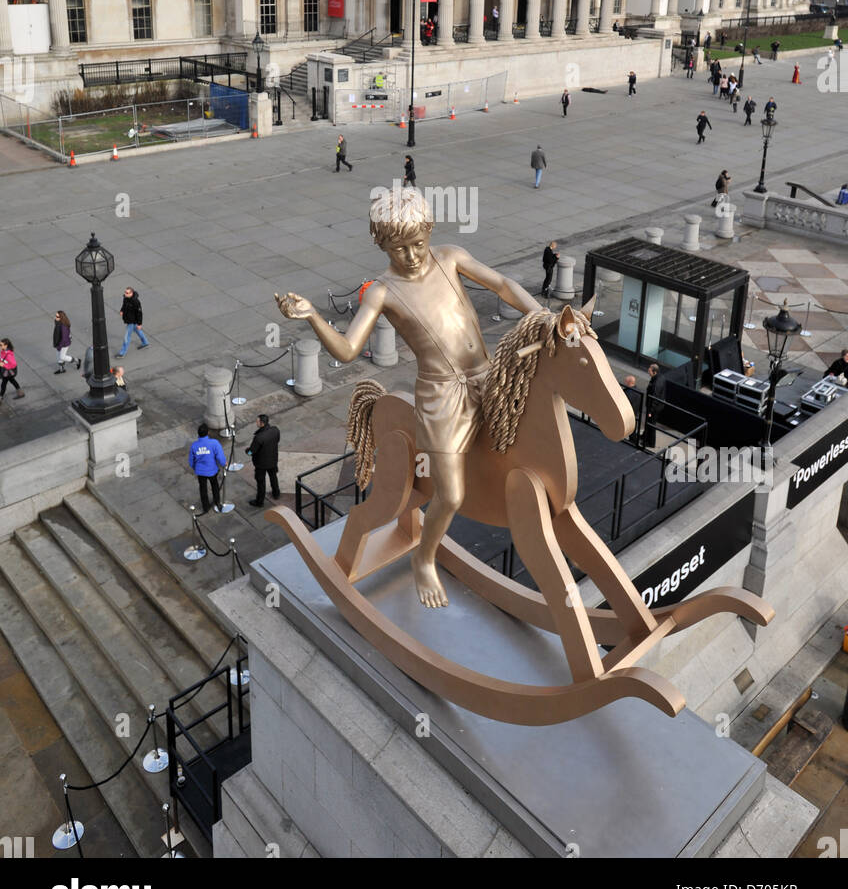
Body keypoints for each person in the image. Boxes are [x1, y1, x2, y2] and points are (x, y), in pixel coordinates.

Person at [275, 186, 559, 609]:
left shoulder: (451, 256)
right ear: (382, 246)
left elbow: (501, 284)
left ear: (430, 232)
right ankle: (423, 559)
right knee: (452, 495)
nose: (410, 256)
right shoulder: (382, 292)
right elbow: (349, 351)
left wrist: (544, 317)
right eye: (398, 249)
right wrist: (314, 315)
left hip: (488, 375)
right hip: (441, 397)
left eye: (417, 244)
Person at [188, 423, 227, 514]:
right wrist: (223, 463)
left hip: (200, 472)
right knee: (215, 486)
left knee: (203, 489)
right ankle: (217, 502)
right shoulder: (214, 443)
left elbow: (191, 461)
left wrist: (195, 468)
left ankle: (205, 507)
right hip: (212, 470)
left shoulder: (194, 446)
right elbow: (220, 457)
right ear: (208, 432)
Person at [245, 412, 281, 507]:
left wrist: (247, 451)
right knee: (273, 477)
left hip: (261, 464)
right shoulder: (275, 430)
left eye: (257, 422)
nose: (256, 423)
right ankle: (276, 493)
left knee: (261, 483)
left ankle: (259, 501)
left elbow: (251, 452)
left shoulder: (259, 438)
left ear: (262, 423)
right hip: (273, 460)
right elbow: (277, 441)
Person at [117, 288, 149, 356]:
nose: (125, 294)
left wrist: (140, 324)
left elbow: (139, 313)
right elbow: (124, 305)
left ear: (131, 293)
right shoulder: (125, 298)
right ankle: (145, 342)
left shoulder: (136, 302)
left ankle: (122, 353)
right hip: (128, 319)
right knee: (138, 331)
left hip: (132, 321)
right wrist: (122, 310)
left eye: (127, 293)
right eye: (125, 292)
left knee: (127, 337)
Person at [644, 363, 665, 449]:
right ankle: (645, 436)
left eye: (649, 370)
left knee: (651, 424)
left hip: (654, 408)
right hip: (657, 406)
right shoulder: (660, 377)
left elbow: (654, 399)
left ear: (654, 372)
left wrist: (650, 411)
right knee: (649, 423)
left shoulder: (656, 383)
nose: (648, 371)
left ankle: (651, 443)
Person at [621, 374, 641, 444]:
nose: (625, 382)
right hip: (635, 413)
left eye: (626, 381)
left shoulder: (627, 393)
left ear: (629, 382)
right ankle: (633, 440)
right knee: (632, 428)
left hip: (627, 413)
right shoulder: (639, 392)